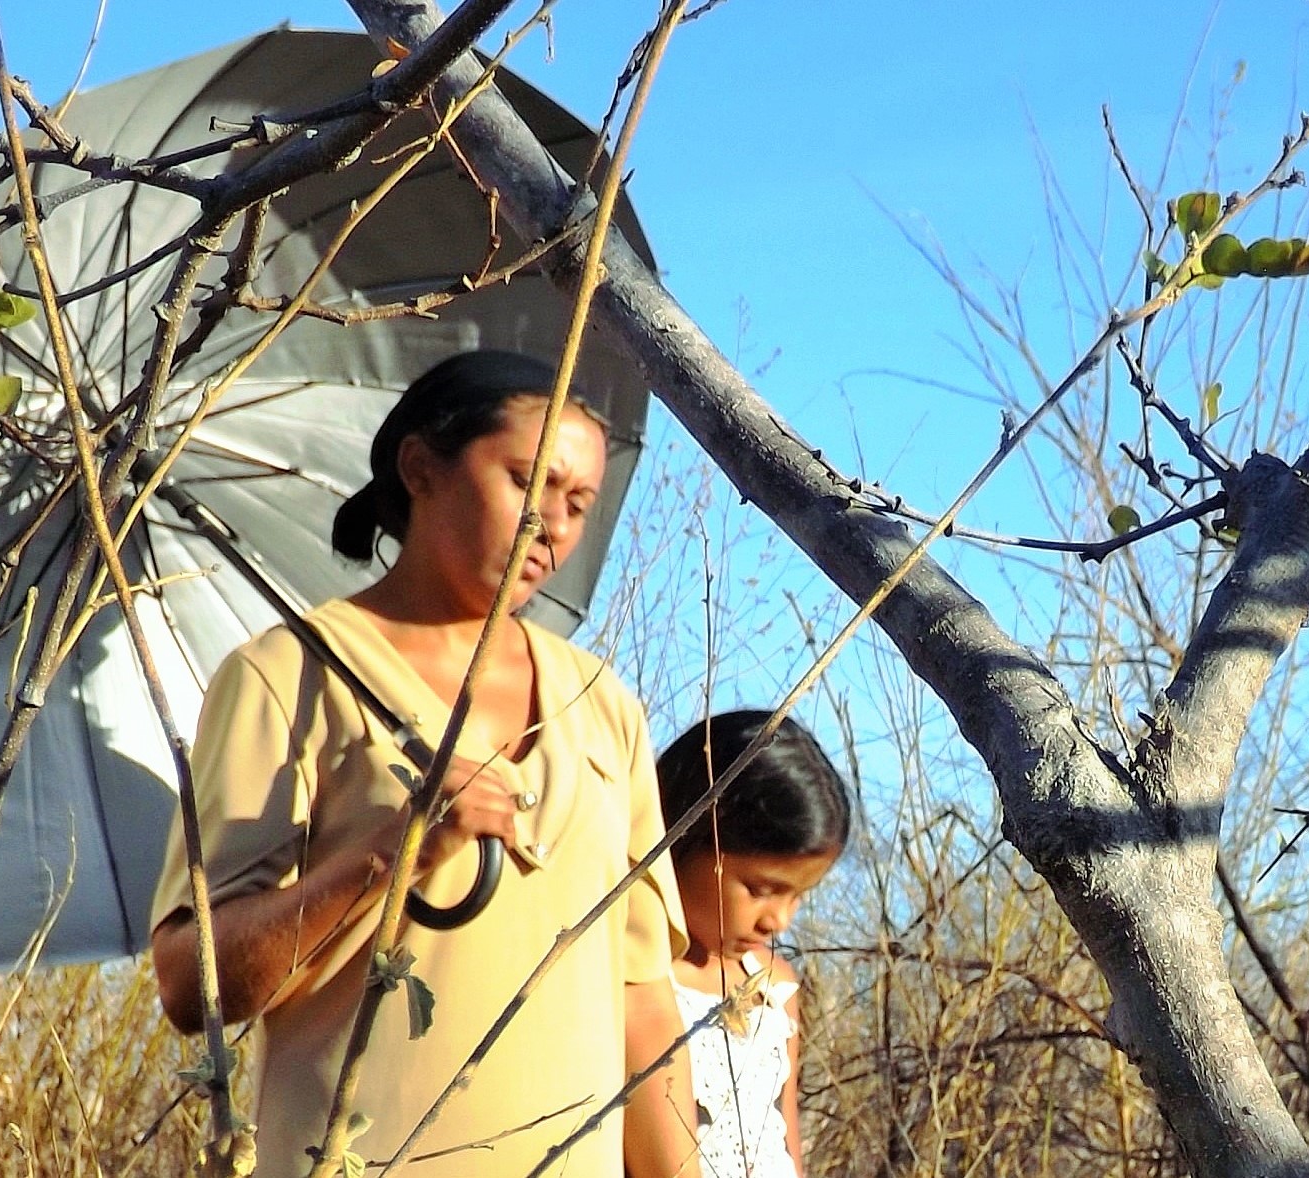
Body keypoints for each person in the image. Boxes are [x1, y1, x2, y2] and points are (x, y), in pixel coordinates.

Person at [147, 350, 696, 1178]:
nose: (554, 524)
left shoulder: (602, 703)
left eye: (579, 502)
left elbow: (641, 1000)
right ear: (419, 468)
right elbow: (194, 986)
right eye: (528, 481)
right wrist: (392, 850)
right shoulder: (288, 676)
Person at [654, 711, 855, 1178]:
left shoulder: (772, 988)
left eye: (799, 895)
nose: (778, 920)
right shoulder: (630, 978)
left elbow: (785, 1142)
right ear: (684, 834)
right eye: (761, 889)